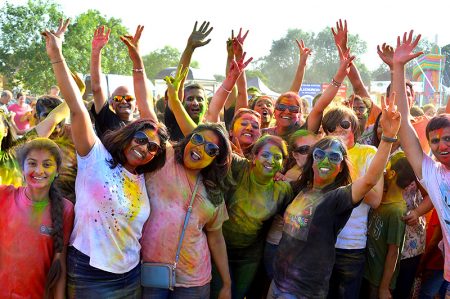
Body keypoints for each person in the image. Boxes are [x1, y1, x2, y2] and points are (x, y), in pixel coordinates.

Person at [42, 20, 169, 298]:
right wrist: (57, 56)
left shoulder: (143, 177)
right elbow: (76, 106)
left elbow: (148, 107)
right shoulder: (95, 155)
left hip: (132, 273)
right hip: (91, 274)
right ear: (128, 136)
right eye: (141, 140)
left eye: (153, 148)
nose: (145, 148)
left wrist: (138, 61)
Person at [268, 92, 401, 299]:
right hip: (279, 282)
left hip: (306, 289)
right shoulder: (302, 189)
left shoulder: (336, 198)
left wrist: (387, 138)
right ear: (311, 160)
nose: (325, 161)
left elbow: (369, 181)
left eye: (334, 157)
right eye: (319, 155)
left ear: (341, 167)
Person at [387, 29, 450, 297]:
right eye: (434, 141)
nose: (441, 146)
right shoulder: (434, 175)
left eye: (447, 138)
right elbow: (404, 125)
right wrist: (398, 68)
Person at [0, 138, 74, 299]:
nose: (39, 171)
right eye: (32, 163)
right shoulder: (4, 195)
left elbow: (59, 264)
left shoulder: (66, 209)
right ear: (22, 168)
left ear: (57, 171)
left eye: (47, 164)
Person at [362, 152, 416, 299]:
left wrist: (384, 288)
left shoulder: (397, 212)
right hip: (368, 272)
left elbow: (393, 253)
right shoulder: (381, 199)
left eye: (387, 167)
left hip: (378, 281)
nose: (383, 171)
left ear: (391, 174)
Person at [164, 21, 213, 142]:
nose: (195, 103)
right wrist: (189, 49)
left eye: (200, 99)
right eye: (190, 99)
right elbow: (179, 85)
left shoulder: (211, 131)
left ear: (207, 105)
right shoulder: (175, 120)